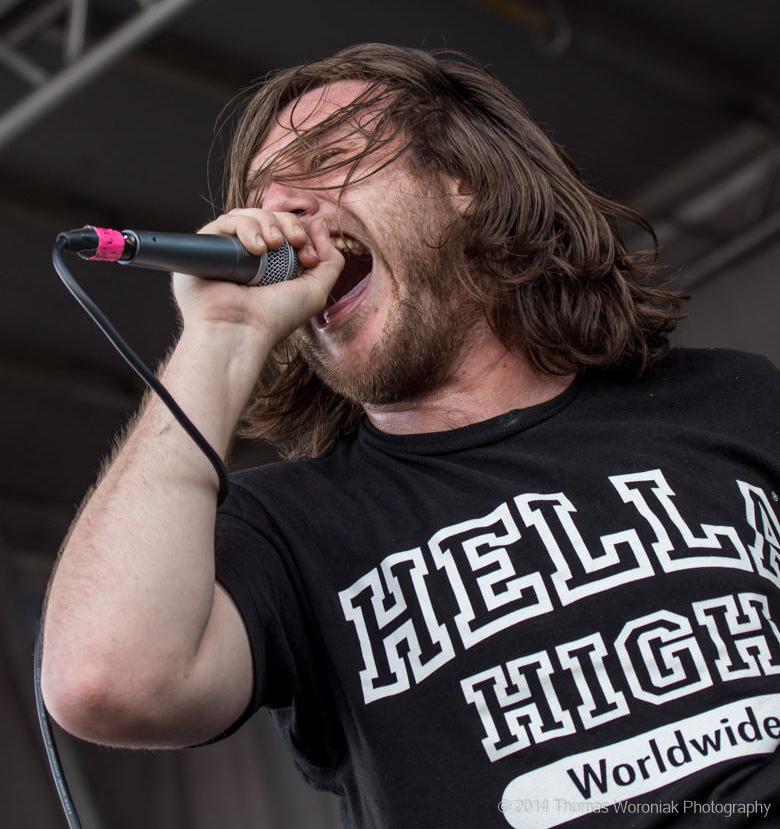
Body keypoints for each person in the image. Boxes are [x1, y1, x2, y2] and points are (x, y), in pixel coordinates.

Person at [42, 45, 779, 828]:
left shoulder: (732, 401)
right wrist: (221, 335)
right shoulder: (288, 531)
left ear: (465, 181)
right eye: (264, 197)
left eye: (325, 159)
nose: (281, 208)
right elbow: (105, 682)